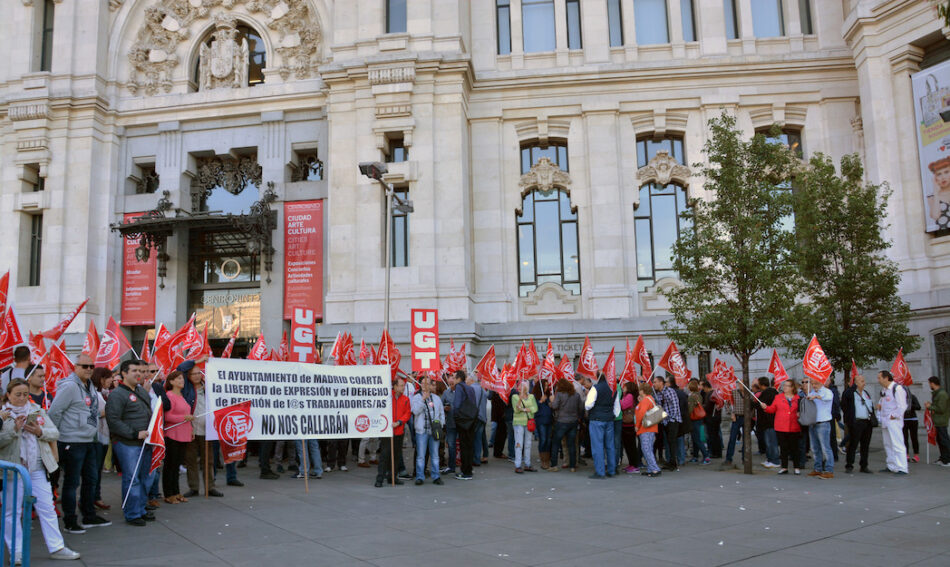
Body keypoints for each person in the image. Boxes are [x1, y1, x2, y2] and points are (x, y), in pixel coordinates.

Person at [0, 379, 81, 561]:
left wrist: (40, 432)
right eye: (17, 394)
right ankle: (17, 551)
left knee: (47, 507)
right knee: (12, 512)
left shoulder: (37, 410)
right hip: (13, 469)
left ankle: (57, 547)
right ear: (8, 395)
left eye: (25, 394)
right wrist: (14, 430)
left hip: (37, 467)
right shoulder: (3, 415)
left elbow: (54, 433)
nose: (22, 398)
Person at [48, 353, 111, 533]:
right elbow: (54, 413)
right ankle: (70, 520)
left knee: (91, 480)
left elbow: (89, 410)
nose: (89, 369)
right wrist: (57, 436)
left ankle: (89, 515)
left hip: (90, 439)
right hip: (72, 441)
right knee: (72, 482)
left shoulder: (90, 385)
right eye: (84, 366)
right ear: (74, 367)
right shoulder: (69, 386)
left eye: (91, 366)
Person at [105, 359, 155, 527]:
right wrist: (134, 433)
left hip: (146, 443)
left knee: (146, 477)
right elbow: (113, 421)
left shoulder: (141, 391)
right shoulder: (117, 394)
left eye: (141, 371)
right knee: (132, 478)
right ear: (124, 373)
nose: (139, 374)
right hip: (128, 443)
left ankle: (140, 508)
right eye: (134, 371)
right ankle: (132, 513)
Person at [178, 361, 224, 497]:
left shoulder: (209, 387)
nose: (197, 376)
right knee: (191, 460)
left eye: (199, 373)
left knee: (208, 460)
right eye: (193, 374)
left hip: (208, 430)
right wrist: (197, 360)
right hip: (191, 430)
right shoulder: (186, 388)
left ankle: (210, 487)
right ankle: (194, 487)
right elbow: (181, 368)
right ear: (188, 375)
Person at [161, 371, 194, 504]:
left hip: (183, 435)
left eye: (182, 378)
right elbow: (167, 417)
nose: (182, 380)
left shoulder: (181, 396)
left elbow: (187, 414)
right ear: (172, 381)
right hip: (173, 435)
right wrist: (184, 418)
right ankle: (169, 493)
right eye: (179, 378)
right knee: (170, 466)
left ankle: (176, 491)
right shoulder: (169, 396)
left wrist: (190, 429)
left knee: (177, 465)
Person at [759, 379, 802, 475]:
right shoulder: (778, 397)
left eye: (787, 386)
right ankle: (784, 467)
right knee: (783, 448)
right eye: (784, 385)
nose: (784, 387)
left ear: (792, 388)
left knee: (794, 448)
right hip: (781, 426)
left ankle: (796, 467)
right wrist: (766, 407)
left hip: (794, 426)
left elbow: (800, 411)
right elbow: (772, 409)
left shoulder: (798, 398)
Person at [376, 377, 411, 487]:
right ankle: (380, 478)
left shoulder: (406, 399)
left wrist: (399, 422)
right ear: (395, 386)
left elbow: (407, 413)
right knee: (384, 455)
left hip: (399, 431)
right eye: (401, 385)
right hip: (387, 431)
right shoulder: (386, 396)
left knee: (396, 456)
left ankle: (393, 477)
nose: (403, 388)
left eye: (404, 385)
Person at [411, 376, 445, 485]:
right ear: (420, 384)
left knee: (435, 455)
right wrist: (422, 400)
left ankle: (436, 476)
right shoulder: (416, 397)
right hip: (422, 431)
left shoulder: (436, 398)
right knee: (421, 455)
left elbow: (441, 413)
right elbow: (415, 411)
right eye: (423, 383)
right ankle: (420, 476)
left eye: (428, 383)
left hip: (434, 431)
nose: (426, 385)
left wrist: (441, 424)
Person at [585, 371, 617, 479]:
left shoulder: (595, 388)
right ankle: (612, 470)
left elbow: (588, 405)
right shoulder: (614, 388)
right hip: (609, 419)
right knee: (610, 446)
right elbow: (617, 407)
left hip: (597, 419)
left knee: (597, 446)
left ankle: (600, 472)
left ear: (597, 377)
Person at [841, 374, 875, 474]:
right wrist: (853, 387)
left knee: (865, 445)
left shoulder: (865, 393)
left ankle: (864, 465)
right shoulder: (850, 393)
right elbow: (844, 404)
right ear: (855, 383)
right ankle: (849, 465)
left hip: (867, 422)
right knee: (853, 444)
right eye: (861, 381)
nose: (864, 383)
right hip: (856, 422)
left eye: (864, 381)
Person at [90, 367, 113, 511]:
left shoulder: (105, 394)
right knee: (94, 469)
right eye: (108, 377)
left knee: (97, 469)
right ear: (101, 378)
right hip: (95, 436)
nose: (111, 380)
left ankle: (96, 496)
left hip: (105, 435)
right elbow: (92, 413)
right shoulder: (93, 394)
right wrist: (107, 412)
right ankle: (92, 497)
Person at [877, 370, 909, 474]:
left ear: (886, 378)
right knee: (888, 444)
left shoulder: (897, 389)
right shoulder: (884, 390)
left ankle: (902, 467)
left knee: (897, 443)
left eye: (879, 378)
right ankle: (891, 465)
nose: (878, 380)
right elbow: (883, 402)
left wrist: (893, 415)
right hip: (885, 420)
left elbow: (902, 406)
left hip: (894, 421)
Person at [449, 370, 477, 480]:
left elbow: (457, 405)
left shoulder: (459, 387)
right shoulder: (470, 388)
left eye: (453, 376)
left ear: (458, 378)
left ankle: (465, 472)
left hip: (463, 421)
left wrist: (456, 417)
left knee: (464, 446)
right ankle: (468, 469)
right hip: (471, 419)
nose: (452, 378)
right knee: (469, 446)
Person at [549, 379, 582, 472]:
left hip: (561, 421)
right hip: (573, 421)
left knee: (556, 443)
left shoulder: (559, 394)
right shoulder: (576, 395)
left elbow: (555, 406)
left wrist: (551, 402)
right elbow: (580, 407)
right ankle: (572, 466)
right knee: (571, 444)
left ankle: (554, 465)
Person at [805, 378, 834, 479]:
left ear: (821, 382)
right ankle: (818, 468)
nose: (814, 385)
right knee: (815, 447)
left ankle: (829, 470)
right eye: (812, 383)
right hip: (813, 422)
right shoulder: (812, 392)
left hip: (823, 423)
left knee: (825, 447)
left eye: (816, 383)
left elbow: (827, 398)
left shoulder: (827, 392)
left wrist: (817, 396)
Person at [652, 376, 681, 471]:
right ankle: (671, 461)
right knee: (669, 442)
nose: (654, 384)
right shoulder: (659, 394)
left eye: (655, 382)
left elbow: (675, 406)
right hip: (665, 421)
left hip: (672, 420)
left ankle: (674, 463)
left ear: (661, 382)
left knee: (672, 441)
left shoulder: (669, 391)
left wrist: (671, 419)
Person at [510, 381, 538, 473]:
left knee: (528, 444)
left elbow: (535, 408)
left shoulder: (531, 397)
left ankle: (527, 464)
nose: (519, 388)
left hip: (529, 423)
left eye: (521, 386)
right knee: (519, 444)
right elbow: (516, 410)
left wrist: (524, 409)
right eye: (518, 386)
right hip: (518, 423)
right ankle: (518, 465)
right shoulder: (515, 397)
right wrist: (520, 400)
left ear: (526, 388)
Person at [635, 383, 661, 477]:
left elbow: (641, 413)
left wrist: (637, 425)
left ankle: (654, 468)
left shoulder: (646, 400)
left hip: (645, 428)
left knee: (646, 449)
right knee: (648, 448)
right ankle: (651, 468)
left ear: (643, 390)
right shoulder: (650, 398)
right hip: (651, 427)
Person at [755, 377, 780, 468]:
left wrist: (755, 403)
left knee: (771, 442)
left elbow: (760, 404)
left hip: (769, 422)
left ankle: (775, 460)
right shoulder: (770, 393)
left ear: (761, 384)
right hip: (768, 422)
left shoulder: (767, 393)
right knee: (769, 441)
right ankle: (770, 459)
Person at [925, 376, 950, 466]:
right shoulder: (937, 393)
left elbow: (941, 408)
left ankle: (947, 459)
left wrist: (930, 407)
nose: (929, 385)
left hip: (941, 420)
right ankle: (943, 458)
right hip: (937, 420)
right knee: (940, 440)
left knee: (944, 440)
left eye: (929, 383)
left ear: (932, 383)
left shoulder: (942, 394)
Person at [686, 380, 711, 465]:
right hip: (699, 418)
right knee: (695, 438)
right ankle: (695, 456)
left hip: (694, 419)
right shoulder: (698, 395)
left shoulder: (691, 396)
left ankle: (706, 456)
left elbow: (690, 409)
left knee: (696, 439)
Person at [468, 374, 490, 466]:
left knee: (473, 439)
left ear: (472, 380)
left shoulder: (471, 389)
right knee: (479, 439)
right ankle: (478, 458)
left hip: (474, 417)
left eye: (467, 379)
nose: (466, 381)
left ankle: (474, 459)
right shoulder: (482, 389)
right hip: (482, 417)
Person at [619, 381, 640, 473]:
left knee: (630, 446)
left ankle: (634, 465)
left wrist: (618, 400)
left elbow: (623, 406)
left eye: (625, 386)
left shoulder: (629, 396)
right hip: (627, 424)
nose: (623, 388)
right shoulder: (628, 396)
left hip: (628, 424)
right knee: (628, 446)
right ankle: (631, 464)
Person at [926, 155, 950, 230]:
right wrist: (936, 192)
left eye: (946, 172)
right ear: (935, 178)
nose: (943, 177)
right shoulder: (932, 197)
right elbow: (935, 216)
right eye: (939, 174)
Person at [723, 388, 745, 468]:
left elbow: (752, 405)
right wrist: (731, 413)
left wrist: (750, 415)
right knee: (732, 438)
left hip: (745, 417)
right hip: (737, 416)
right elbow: (727, 403)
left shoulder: (749, 392)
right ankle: (729, 458)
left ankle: (745, 458)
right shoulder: (734, 392)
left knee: (746, 439)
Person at [701, 380, 723, 458]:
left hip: (711, 418)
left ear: (706, 387)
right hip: (717, 417)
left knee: (712, 436)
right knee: (716, 435)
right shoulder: (717, 393)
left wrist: (701, 406)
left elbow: (708, 407)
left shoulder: (710, 395)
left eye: (703, 388)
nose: (703, 389)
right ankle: (718, 452)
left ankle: (714, 452)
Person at [902, 387, 922, 464]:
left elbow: (918, 407)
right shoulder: (900, 398)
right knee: (905, 438)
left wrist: (909, 405)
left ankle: (916, 455)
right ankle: (906, 454)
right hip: (904, 420)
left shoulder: (912, 397)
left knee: (914, 437)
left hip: (913, 419)